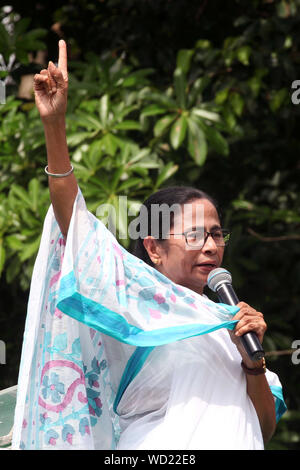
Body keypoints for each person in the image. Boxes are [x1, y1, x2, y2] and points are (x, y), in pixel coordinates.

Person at [12, 41, 286, 450]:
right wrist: (55, 126)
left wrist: (252, 364)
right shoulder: (135, 307)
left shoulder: (232, 326)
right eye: (195, 234)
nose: (211, 246)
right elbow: (74, 220)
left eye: (216, 234)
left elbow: (262, 429)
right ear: (154, 248)